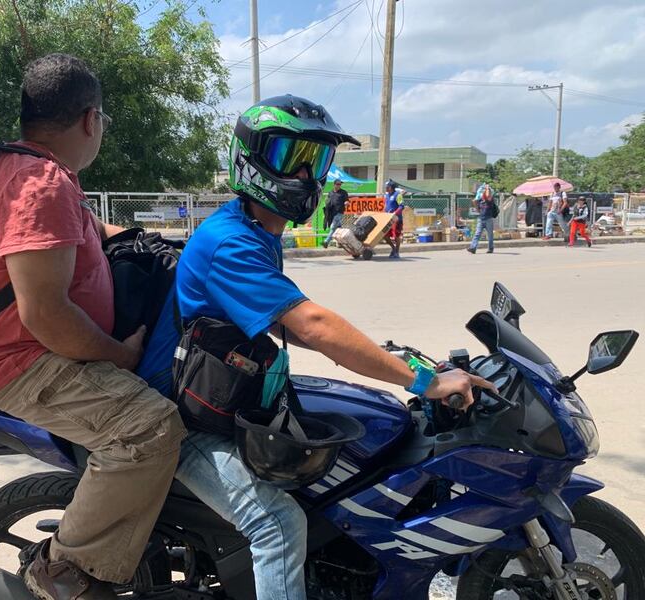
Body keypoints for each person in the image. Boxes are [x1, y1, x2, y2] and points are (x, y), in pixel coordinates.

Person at [138, 94, 493, 600]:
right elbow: (314, 326)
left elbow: (296, 326)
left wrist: (397, 361)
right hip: (178, 417)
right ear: (250, 158)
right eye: (291, 158)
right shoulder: (231, 242)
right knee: (279, 526)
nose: (306, 176)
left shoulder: (258, 230)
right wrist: (425, 382)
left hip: (223, 393)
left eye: (317, 160)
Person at [0, 54, 186, 600]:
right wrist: (120, 355)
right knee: (149, 428)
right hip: (17, 360)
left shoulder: (33, 170)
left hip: (25, 350)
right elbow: (45, 314)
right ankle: (60, 571)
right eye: (103, 120)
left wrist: (177, 247)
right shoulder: (40, 183)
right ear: (90, 119)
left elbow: (85, 229)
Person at [467, 183, 495, 254]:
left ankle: (490, 248)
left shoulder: (490, 200)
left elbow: (488, 195)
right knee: (477, 234)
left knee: (490, 235)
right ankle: (473, 248)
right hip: (481, 219)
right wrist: (475, 203)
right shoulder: (480, 201)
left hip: (488, 219)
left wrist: (487, 188)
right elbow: (476, 206)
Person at [322, 178, 349, 247]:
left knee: (333, 227)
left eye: (340, 184)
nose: (339, 185)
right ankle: (341, 242)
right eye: (337, 184)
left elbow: (347, 200)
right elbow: (327, 201)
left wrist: (346, 202)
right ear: (334, 185)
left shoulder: (343, 192)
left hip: (339, 212)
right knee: (339, 228)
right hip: (331, 213)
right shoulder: (330, 193)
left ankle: (326, 241)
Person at [383, 179, 405, 258]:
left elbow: (401, 206)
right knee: (384, 235)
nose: (386, 188)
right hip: (388, 219)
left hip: (397, 219)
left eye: (387, 186)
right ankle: (393, 248)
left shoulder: (397, 195)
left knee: (396, 236)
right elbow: (386, 206)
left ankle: (397, 252)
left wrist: (395, 213)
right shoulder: (386, 195)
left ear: (391, 187)